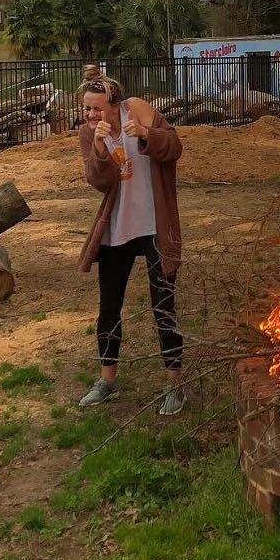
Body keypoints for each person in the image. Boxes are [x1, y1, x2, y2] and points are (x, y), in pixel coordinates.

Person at [76, 69, 185, 416]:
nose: (92, 116)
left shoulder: (136, 108)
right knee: (109, 308)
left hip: (154, 224)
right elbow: (99, 181)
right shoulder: (88, 134)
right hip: (118, 229)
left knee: (162, 305)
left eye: (97, 109)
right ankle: (107, 380)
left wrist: (145, 134)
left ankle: (173, 383)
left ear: (114, 105)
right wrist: (98, 147)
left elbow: (174, 147)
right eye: (87, 110)